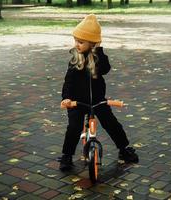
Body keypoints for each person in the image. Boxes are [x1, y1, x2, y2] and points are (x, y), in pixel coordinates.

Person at [59, 14, 139, 171]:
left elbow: (105, 69)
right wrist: (66, 98)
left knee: (111, 123)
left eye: (81, 42)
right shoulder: (75, 60)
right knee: (74, 127)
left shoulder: (99, 58)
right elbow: (68, 82)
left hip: (97, 100)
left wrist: (98, 50)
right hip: (77, 102)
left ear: (92, 43)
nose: (77, 44)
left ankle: (124, 149)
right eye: (75, 40)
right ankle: (67, 156)